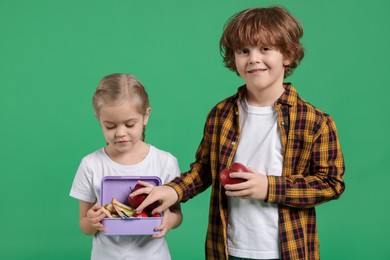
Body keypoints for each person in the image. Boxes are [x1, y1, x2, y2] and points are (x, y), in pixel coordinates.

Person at [134, 6, 345, 260]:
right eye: (244, 51)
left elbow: (331, 183)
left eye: (265, 48)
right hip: (228, 248)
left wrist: (269, 186)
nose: (254, 58)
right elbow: (204, 169)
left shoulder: (315, 122)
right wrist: (173, 191)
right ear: (234, 59)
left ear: (287, 55)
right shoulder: (221, 114)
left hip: (289, 249)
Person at [69, 73, 182, 260]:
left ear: (146, 116)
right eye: (110, 126)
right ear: (98, 119)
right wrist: (91, 221)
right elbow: (84, 226)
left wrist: (170, 221)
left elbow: (177, 213)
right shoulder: (91, 164)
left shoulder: (165, 162)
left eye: (130, 124)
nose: (121, 133)